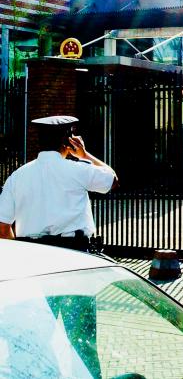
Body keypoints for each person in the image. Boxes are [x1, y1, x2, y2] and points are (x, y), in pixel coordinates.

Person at [0, 115, 118, 378]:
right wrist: (86, 154)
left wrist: (20, 259)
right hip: (74, 264)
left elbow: (2, 228)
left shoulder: (17, 177)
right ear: (68, 140)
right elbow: (112, 180)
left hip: (33, 265)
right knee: (82, 343)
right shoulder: (77, 170)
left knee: (33, 340)